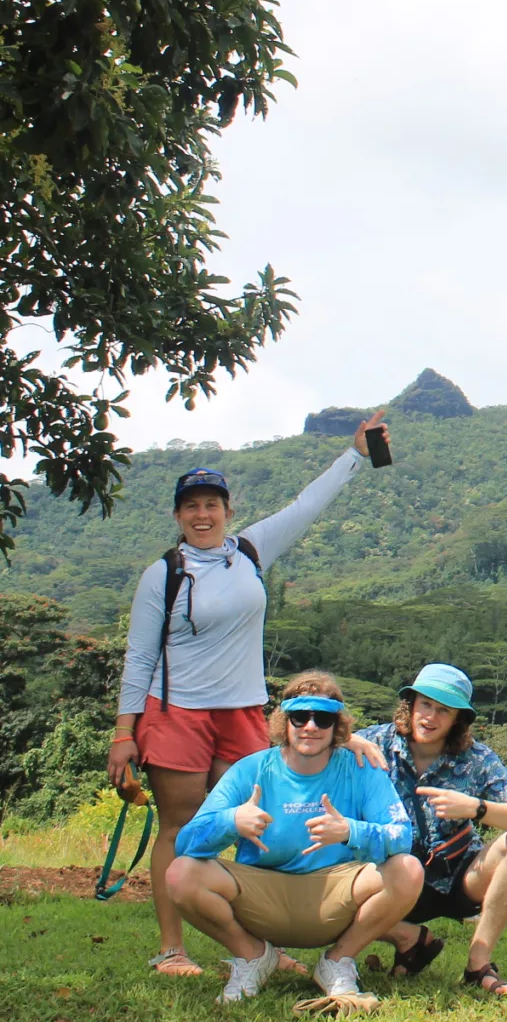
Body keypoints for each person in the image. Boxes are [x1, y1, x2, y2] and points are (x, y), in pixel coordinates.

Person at [107, 411, 393, 977]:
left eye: (212, 504)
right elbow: (139, 657)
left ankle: (261, 947)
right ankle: (172, 950)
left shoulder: (250, 552)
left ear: (227, 511)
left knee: (256, 822)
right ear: (178, 515)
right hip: (176, 712)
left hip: (241, 710)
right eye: (192, 506)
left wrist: (355, 454)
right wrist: (124, 733)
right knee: (181, 827)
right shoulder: (161, 575)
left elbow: (305, 508)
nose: (202, 514)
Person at [168, 672, 420, 1008]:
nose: (310, 727)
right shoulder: (251, 769)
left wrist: (349, 832)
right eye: (300, 717)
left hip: (336, 892)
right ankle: (252, 957)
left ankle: (337, 963)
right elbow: (186, 843)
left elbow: (402, 836)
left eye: (324, 718)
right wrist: (232, 821)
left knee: (408, 869)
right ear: (284, 722)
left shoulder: (360, 768)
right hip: (261, 895)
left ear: (338, 725)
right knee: (181, 873)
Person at [364, 663, 507, 996]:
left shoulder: (477, 759)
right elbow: (315, 739)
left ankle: (479, 963)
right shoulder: (375, 742)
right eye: (426, 705)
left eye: (443, 710)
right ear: (412, 705)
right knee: (335, 867)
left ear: (457, 719)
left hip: (458, 877)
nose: (430, 717)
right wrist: (345, 742)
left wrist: (476, 808)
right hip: (393, 877)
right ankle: (410, 940)